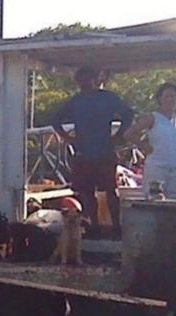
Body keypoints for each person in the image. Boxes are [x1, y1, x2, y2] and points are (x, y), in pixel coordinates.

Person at [53, 67, 135, 236]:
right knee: (86, 191)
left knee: (110, 190)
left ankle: (116, 227)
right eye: (81, 79)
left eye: (88, 78)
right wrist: (67, 137)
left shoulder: (107, 98)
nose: (85, 83)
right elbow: (55, 119)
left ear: (94, 79)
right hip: (83, 152)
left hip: (104, 149)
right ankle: (94, 225)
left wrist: (118, 135)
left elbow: (128, 114)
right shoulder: (76, 101)